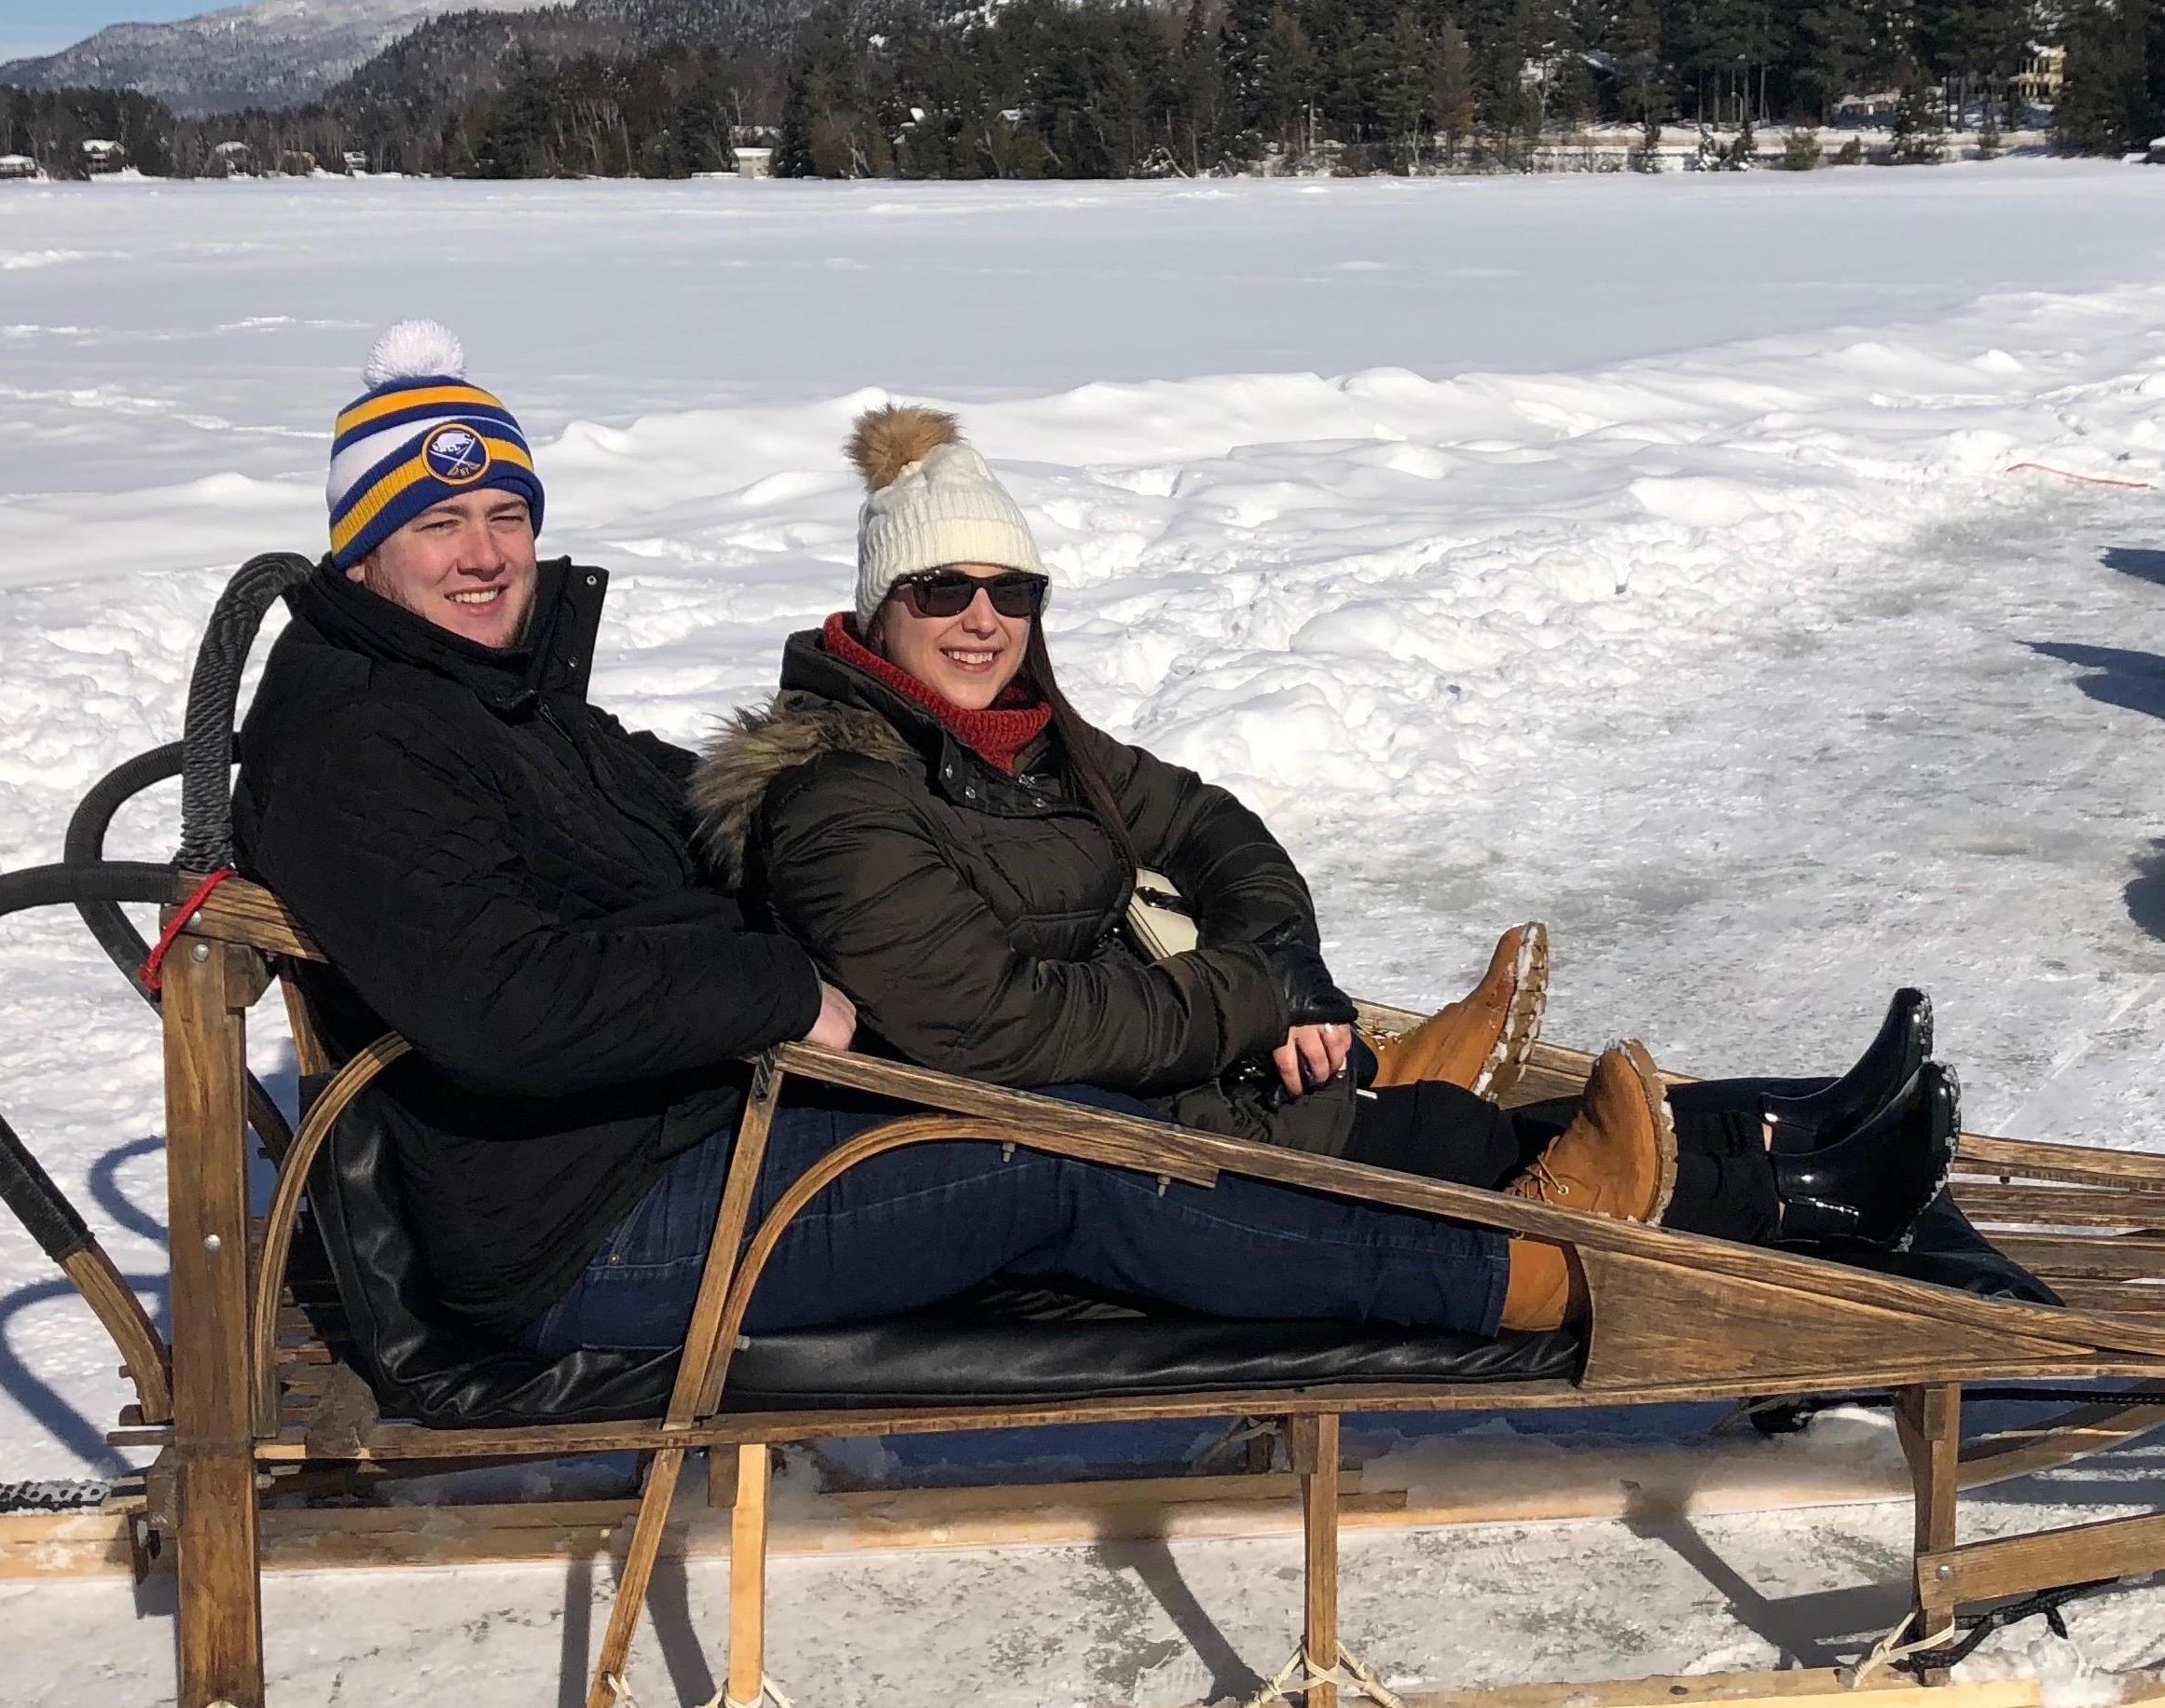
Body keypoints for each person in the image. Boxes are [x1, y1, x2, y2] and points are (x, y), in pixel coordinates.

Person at [232, 324, 1697, 1363]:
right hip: (584, 1233)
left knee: (1041, 1092)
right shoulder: (365, 740)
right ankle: (1512, 1272)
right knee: (1051, 1156)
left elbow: (685, 814)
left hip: (687, 1133)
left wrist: (870, 815)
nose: (485, 552)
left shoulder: (490, 700)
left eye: (506, 513)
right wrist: (766, 988)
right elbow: (505, 1003)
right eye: (440, 523)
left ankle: (1397, 1137)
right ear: (364, 546)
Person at [693, 404, 1962, 1281]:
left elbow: (1214, 828)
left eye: (1008, 590)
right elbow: (1003, 1026)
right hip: (1083, 1149)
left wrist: (1285, 964)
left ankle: (1797, 1127)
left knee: (1458, 1133)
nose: (980, 620)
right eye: (940, 590)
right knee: (1462, 1151)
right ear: (878, 605)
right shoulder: (841, 801)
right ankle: (1810, 1199)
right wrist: (1251, 999)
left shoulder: (1024, 744)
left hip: (1164, 1095)